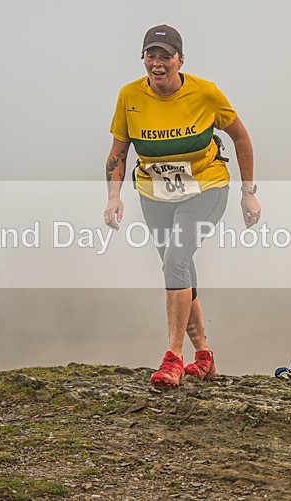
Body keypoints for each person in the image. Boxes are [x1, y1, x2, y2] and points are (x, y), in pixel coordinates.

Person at [104, 24, 261, 387]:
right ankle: (204, 357)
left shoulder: (205, 93)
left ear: (180, 60)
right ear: (143, 58)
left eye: (165, 56)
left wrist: (247, 191)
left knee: (176, 260)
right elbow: (118, 152)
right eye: (151, 55)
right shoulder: (129, 96)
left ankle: (173, 357)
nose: (157, 64)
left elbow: (240, 136)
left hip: (204, 188)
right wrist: (114, 197)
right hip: (154, 193)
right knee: (178, 267)